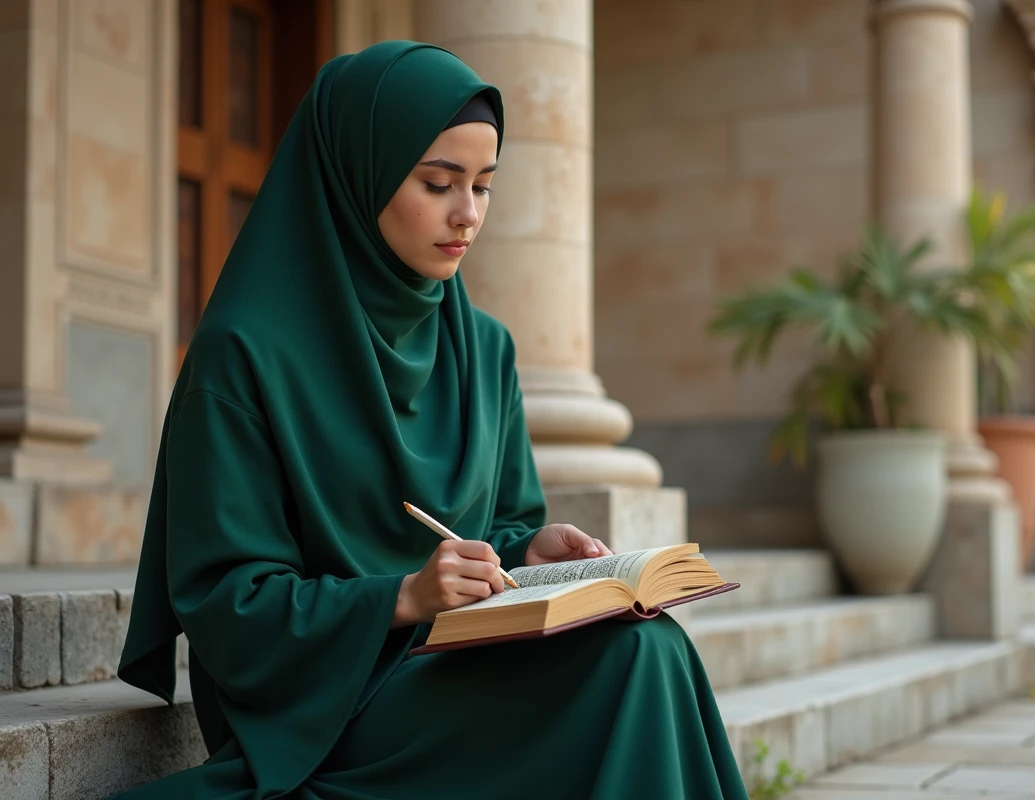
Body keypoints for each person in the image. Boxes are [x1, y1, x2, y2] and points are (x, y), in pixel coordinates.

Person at [114, 40, 749, 800]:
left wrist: (531, 549)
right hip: (326, 709)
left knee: (649, 644)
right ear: (362, 174)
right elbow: (229, 608)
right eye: (438, 183)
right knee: (629, 666)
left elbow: (499, 532)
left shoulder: (483, 349)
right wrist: (403, 597)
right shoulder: (243, 356)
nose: (468, 214)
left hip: (456, 660)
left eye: (483, 185)